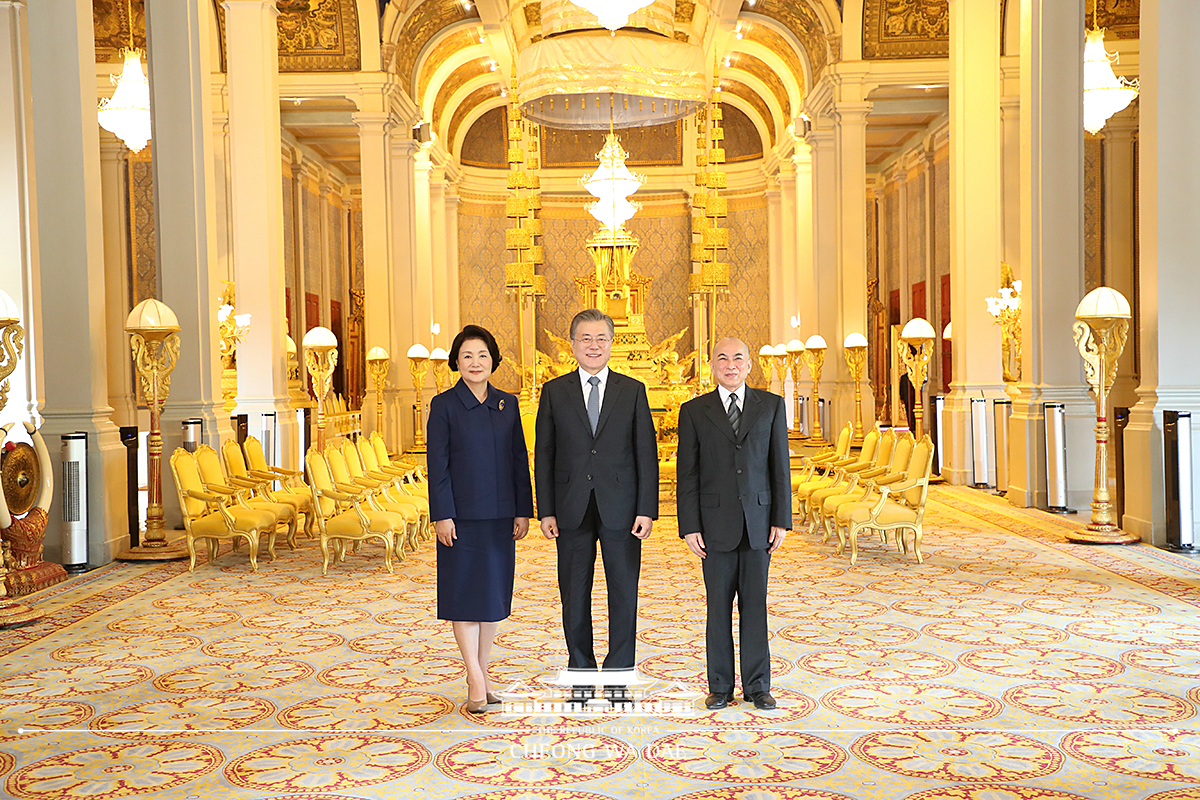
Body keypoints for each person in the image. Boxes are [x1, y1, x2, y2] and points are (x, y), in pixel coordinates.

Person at [535, 308, 658, 687]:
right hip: (570, 507)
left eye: (600, 338)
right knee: (573, 593)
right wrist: (546, 511)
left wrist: (646, 509)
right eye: (585, 338)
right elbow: (544, 454)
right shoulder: (554, 391)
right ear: (572, 345)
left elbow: (645, 453)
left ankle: (621, 670)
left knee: (624, 590)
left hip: (621, 508)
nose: (593, 345)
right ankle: (581, 670)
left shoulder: (632, 390)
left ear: (611, 344)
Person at [676, 337, 791, 711]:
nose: (730, 365)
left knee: (755, 605)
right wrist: (690, 525)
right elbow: (687, 473)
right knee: (718, 607)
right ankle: (720, 687)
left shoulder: (771, 406)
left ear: (749, 365)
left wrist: (781, 520)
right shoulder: (694, 411)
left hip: (759, 523)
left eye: (737, 358)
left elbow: (779, 468)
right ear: (712, 366)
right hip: (713, 525)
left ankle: (758, 685)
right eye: (722, 359)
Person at [427, 324, 533, 714]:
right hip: (462, 520)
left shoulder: (507, 404)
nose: (476, 362)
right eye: (468, 355)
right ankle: (474, 677)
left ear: (494, 361)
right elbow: (437, 466)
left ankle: (483, 674)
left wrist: (523, 509)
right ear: (457, 361)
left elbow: (519, 460)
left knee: (490, 601)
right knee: (465, 600)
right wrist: (443, 515)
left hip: (500, 518)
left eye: (483, 355)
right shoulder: (444, 405)